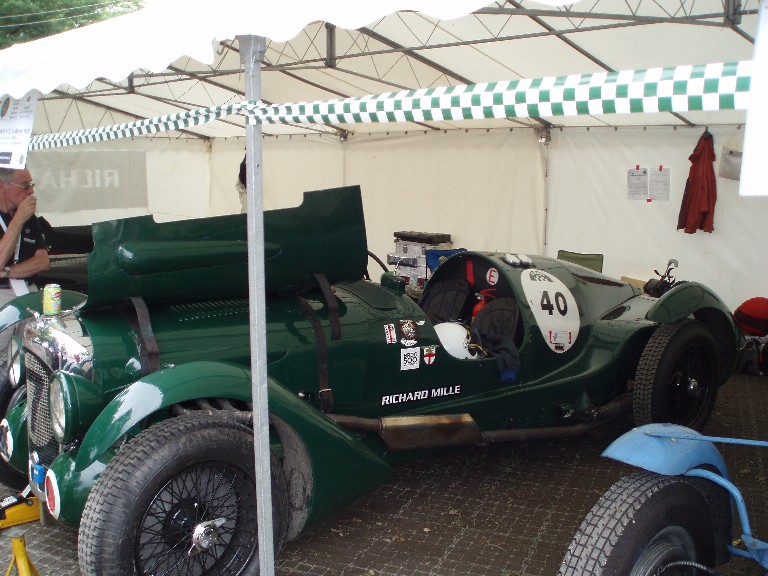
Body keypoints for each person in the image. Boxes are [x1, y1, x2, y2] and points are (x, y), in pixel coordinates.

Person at [0, 167, 50, 367]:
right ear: (3, 185)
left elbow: (43, 261)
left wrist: (8, 272)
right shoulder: (23, 215)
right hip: (2, 296)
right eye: (25, 185)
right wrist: (18, 220)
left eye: (32, 185)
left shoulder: (30, 217)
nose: (31, 191)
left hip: (28, 293)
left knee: (33, 356)